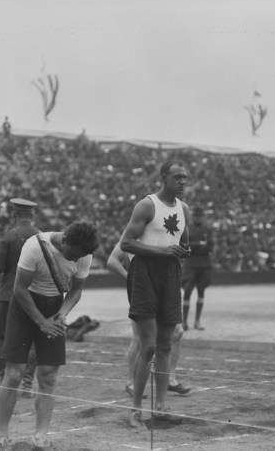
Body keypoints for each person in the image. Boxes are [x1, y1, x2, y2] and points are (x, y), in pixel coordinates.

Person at [0, 220, 99, 451]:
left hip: (54, 307)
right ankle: (2, 435)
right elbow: (19, 289)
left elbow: (76, 290)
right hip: (23, 307)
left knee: (49, 376)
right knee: (13, 374)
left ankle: (40, 436)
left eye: (81, 256)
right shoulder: (34, 246)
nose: (75, 259)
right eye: (73, 254)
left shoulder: (84, 253)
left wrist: (62, 314)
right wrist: (41, 323)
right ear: (65, 240)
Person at [120, 160, 191, 428]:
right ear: (164, 178)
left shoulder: (184, 209)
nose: (183, 182)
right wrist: (163, 251)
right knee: (147, 346)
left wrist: (184, 250)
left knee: (166, 344)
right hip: (144, 275)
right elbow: (126, 242)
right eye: (177, 177)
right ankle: (136, 409)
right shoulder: (147, 205)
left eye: (185, 178)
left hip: (171, 276)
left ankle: (160, 407)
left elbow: (184, 242)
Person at [106, 240, 191, 398]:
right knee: (140, 339)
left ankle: (170, 380)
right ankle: (130, 383)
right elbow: (112, 261)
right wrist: (132, 278)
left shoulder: (163, 227)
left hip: (166, 285)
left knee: (177, 333)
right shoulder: (134, 233)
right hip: (143, 289)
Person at [0, 198, 40, 398]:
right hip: (33, 293)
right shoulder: (40, 237)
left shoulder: (8, 236)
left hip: (7, 294)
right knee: (32, 340)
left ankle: (5, 382)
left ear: (13, 214)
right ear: (32, 215)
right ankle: (27, 385)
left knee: (1, 338)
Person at [182, 206, 214, 331]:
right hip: (190, 265)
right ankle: (184, 321)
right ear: (192, 215)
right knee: (187, 292)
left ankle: (197, 321)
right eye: (196, 215)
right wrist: (200, 244)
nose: (198, 217)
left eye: (200, 215)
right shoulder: (187, 228)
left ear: (203, 216)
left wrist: (195, 247)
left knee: (201, 292)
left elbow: (210, 247)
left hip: (205, 265)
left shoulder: (207, 229)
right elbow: (185, 246)